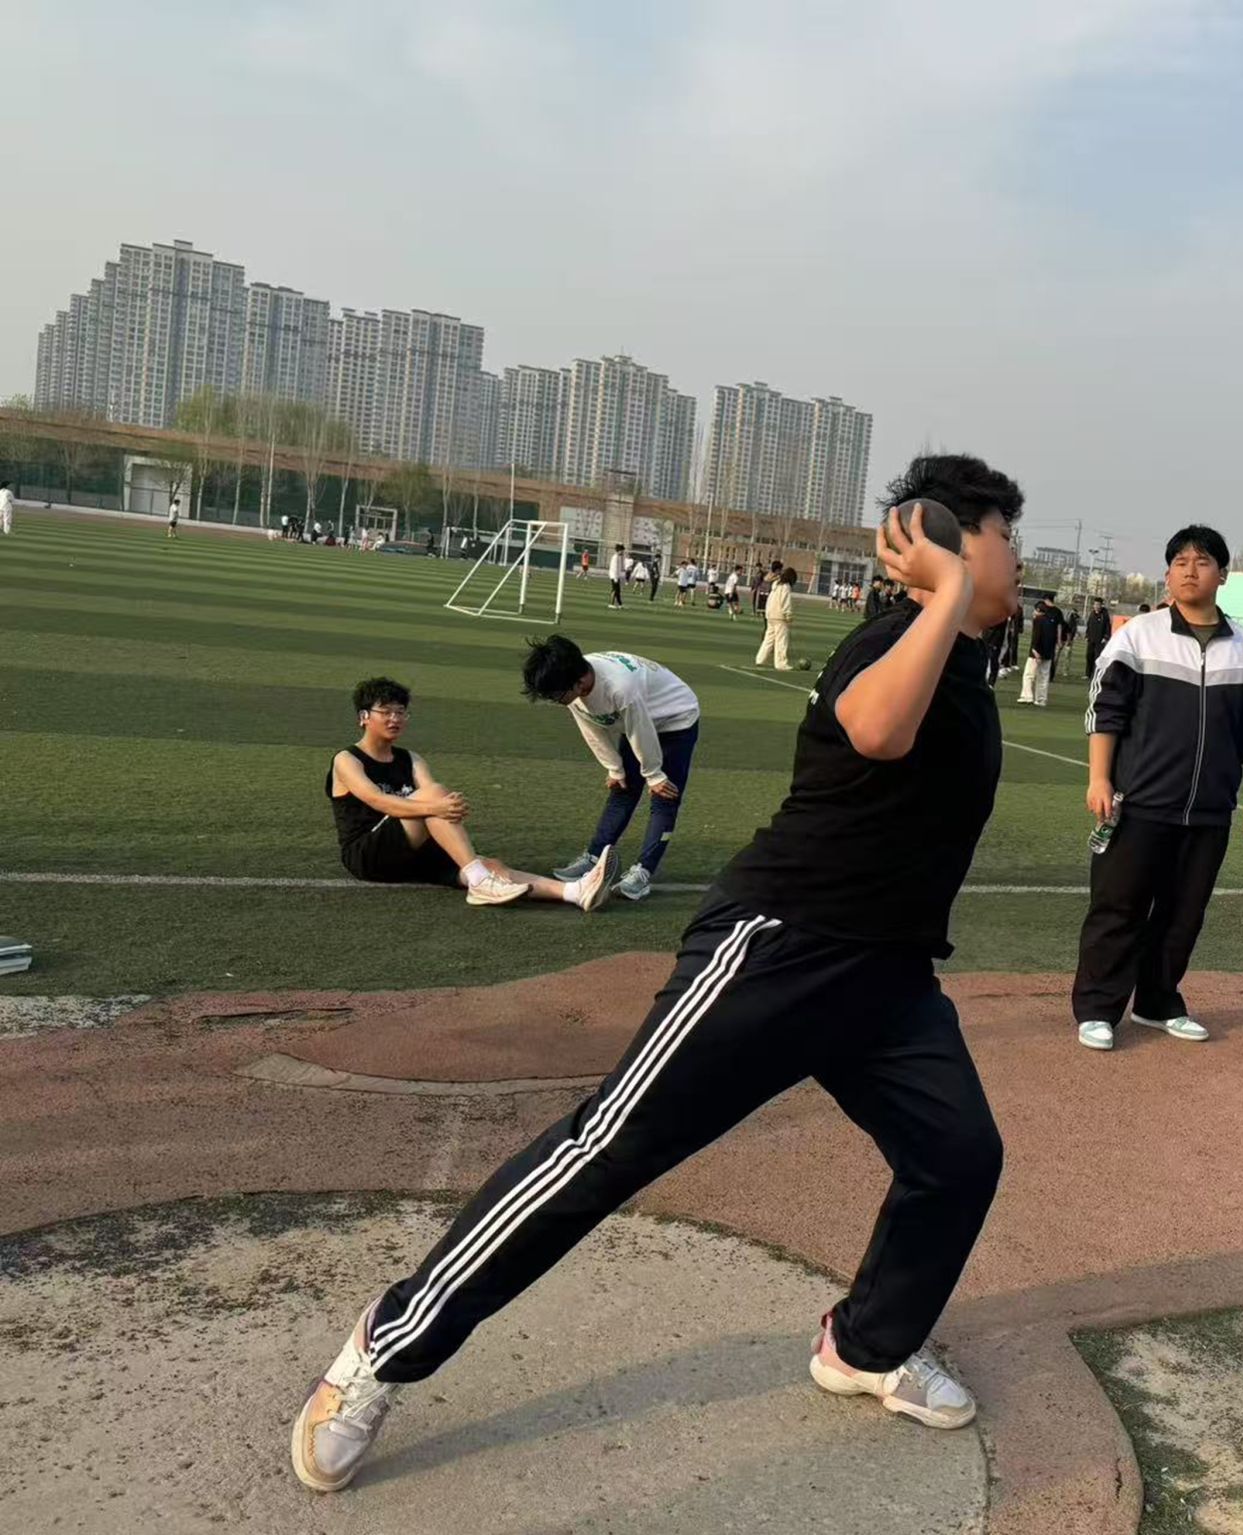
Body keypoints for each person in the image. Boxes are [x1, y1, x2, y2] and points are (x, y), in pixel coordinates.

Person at [292, 453, 1026, 1495]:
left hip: (890, 976)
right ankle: (386, 1343)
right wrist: (942, 590)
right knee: (605, 1150)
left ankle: (866, 1345)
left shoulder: (963, 665)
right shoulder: (891, 642)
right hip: (779, 949)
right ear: (952, 540)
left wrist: (951, 604)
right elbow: (875, 728)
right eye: (1004, 536)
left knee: (958, 1155)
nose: (1017, 558)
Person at [1072, 525, 1243, 1053]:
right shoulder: (1139, 636)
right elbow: (1106, 710)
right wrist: (1099, 778)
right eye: (1180, 562)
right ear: (1167, 574)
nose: (1190, 570)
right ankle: (1097, 1008)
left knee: (1183, 915)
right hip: (1138, 803)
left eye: (1202, 561)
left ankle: (1158, 1002)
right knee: (1117, 908)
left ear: (1222, 575)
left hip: (1209, 811)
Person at [327, 678, 615, 912]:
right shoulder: (347, 760)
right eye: (386, 711)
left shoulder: (411, 759)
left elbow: (435, 803)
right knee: (435, 797)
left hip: (411, 851)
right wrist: (440, 806)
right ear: (364, 717)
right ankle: (479, 882)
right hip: (368, 854)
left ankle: (573, 892)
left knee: (491, 867)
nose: (395, 719)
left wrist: (446, 808)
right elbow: (378, 800)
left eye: (401, 712)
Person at [526, 636, 703, 903]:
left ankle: (643, 872)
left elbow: (640, 730)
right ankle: (593, 857)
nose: (555, 700)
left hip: (675, 717)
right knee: (622, 789)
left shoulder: (620, 687)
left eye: (557, 695)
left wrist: (654, 774)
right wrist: (614, 768)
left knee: (664, 795)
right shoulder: (571, 684)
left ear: (580, 681)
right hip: (638, 720)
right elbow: (591, 727)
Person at [1017, 599, 1060, 707]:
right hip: (1048, 653)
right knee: (1043, 677)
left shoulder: (1038, 620)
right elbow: (1052, 638)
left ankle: (1027, 696)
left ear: (1038, 610)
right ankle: (1041, 699)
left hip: (1036, 652)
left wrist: (1035, 650)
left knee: (1029, 675)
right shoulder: (1052, 621)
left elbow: (1036, 636)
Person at [756, 566, 798, 670]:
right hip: (779, 617)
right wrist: (788, 615)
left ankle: (760, 659)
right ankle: (781, 663)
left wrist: (768, 613)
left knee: (769, 639)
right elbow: (785, 602)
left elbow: (770, 599)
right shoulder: (785, 587)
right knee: (781, 640)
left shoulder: (776, 584)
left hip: (771, 615)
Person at [1085, 599, 1111, 676]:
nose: (1096, 606)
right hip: (1091, 639)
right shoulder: (1092, 614)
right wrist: (1087, 635)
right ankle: (1087, 674)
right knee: (1089, 656)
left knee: (1097, 657)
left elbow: (1108, 627)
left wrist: (1105, 637)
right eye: (1095, 604)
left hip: (1100, 640)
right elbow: (1089, 625)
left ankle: (1095, 673)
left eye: (1098, 604)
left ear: (1101, 605)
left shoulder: (1104, 615)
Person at [607, 544, 626, 609]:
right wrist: (615, 578)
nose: (623, 552)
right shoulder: (615, 557)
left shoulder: (618, 557)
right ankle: (611, 604)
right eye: (622, 550)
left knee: (618, 591)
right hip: (614, 576)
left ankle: (620, 604)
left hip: (617, 576)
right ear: (619, 550)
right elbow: (614, 568)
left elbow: (618, 568)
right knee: (614, 590)